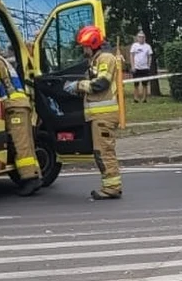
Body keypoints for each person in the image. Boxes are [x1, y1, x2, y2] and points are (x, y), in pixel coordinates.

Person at [64, 25, 123, 200]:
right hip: (99, 116)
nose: (84, 50)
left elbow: (101, 84)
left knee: (104, 152)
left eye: (85, 46)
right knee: (102, 151)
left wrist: (78, 86)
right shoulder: (98, 59)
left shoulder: (105, 58)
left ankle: (112, 188)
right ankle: (111, 186)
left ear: (93, 44)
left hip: (103, 116)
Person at [0, 54, 41, 196]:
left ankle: (29, 179)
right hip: (21, 104)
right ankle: (36, 175)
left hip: (14, 106)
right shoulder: (3, 60)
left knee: (20, 144)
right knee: (27, 143)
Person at [129, 31, 153, 104]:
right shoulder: (134, 46)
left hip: (144, 68)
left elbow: (150, 56)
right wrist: (132, 66)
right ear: (137, 38)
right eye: (139, 37)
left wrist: (148, 65)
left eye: (142, 37)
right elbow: (131, 55)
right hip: (136, 68)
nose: (141, 38)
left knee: (144, 84)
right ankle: (135, 98)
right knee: (136, 84)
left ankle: (144, 98)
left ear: (144, 38)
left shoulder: (147, 46)